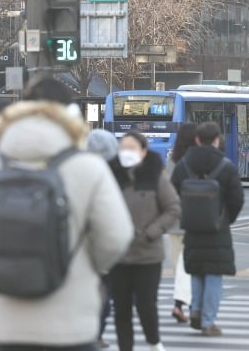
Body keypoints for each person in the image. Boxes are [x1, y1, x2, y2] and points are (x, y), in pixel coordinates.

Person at [0, 79, 134, 351]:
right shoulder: (89, 166)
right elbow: (117, 237)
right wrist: (83, 265)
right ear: (71, 116)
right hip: (71, 326)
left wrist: (5, 260)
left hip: (6, 324)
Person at [108, 131, 180, 351]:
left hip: (148, 254)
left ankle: (153, 342)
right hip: (118, 255)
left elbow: (173, 208)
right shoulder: (110, 177)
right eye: (123, 148)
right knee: (121, 309)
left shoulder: (155, 178)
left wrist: (153, 231)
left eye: (131, 148)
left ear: (143, 151)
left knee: (146, 305)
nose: (126, 153)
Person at [171, 122, 244, 336]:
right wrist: (224, 218)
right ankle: (208, 321)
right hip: (217, 228)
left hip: (192, 227)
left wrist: (187, 213)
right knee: (213, 273)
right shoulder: (226, 166)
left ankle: (195, 309)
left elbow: (174, 192)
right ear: (216, 140)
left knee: (196, 270)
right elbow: (237, 198)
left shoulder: (183, 165)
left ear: (196, 140)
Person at [85, 129, 119, 349]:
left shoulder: (77, 170)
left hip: (81, 250)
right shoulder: (118, 174)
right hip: (106, 249)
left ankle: (90, 333)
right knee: (104, 295)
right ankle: (96, 333)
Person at [165, 123, 197, 323]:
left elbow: (167, 190)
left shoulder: (172, 161)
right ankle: (186, 305)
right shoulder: (197, 161)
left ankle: (181, 305)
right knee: (191, 266)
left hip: (174, 223)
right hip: (194, 221)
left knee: (179, 267)